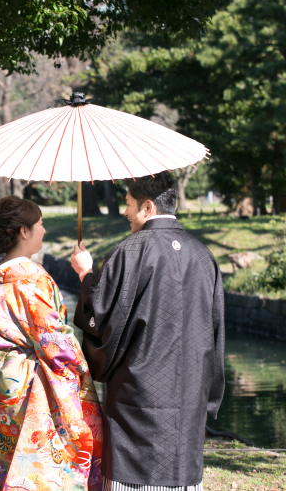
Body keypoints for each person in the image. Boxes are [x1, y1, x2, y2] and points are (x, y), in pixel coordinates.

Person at [70, 172, 225, 491]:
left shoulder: (129, 252)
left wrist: (86, 274)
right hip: (190, 396)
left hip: (138, 396)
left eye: (128, 204)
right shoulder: (203, 256)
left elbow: (101, 320)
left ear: (148, 207)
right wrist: (208, 395)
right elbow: (216, 332)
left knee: (133, 480)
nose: (126, 211)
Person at [0, 196, 104, 491]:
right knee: (44, 472)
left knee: (9, 462)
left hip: (0, 394)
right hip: (33, 394)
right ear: (24, 232)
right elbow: (55, 343)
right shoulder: (32, 282)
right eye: (40, 224)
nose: (44, 230)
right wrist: (83, 366)